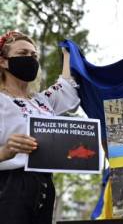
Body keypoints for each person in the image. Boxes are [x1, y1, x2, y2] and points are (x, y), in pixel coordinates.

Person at [0, 31, 80, 223]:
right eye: (23, 54)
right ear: (3, 61)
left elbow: (65, 88)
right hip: (9, 185)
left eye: (34, 55)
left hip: (43, 184)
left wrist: (68, 54)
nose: (30, 59)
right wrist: (5, 152)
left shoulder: (40, 101)